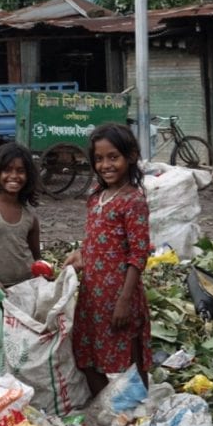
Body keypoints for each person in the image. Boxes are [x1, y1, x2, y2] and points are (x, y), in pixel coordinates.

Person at [64, 123, 151, 396]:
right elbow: (96, 238)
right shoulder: (96, 197)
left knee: (130, 358)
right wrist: (80, 253)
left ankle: (138, 411)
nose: (105, 165)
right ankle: (108, 408)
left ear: (131, 156)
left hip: (119, 295)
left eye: (113, 157)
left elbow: (138, 254)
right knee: (86, 353)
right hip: (92, 295)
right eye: (99, 159)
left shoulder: (133, 201)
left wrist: (124, 300)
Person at [0, 142, 42, 288]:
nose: (14, 176)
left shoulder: (29, 215)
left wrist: (43, 275)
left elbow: (36, 258)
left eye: (20, 171)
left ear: (28, 176)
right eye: (7, 170)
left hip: (25, 288)